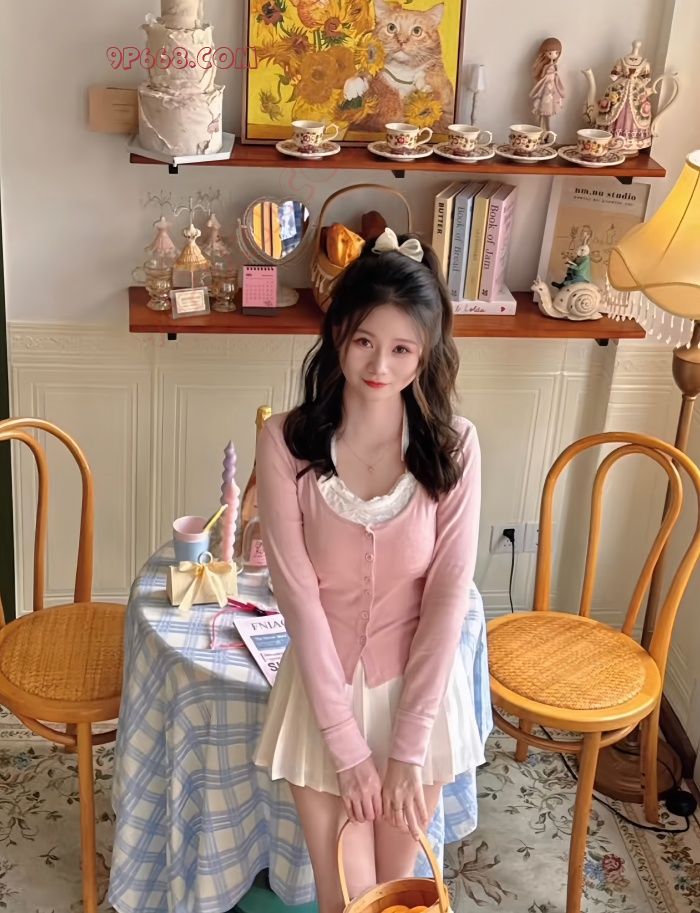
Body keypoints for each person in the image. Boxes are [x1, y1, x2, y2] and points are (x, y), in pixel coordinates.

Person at [254, 227, 483, 913]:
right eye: (364, 341)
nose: (380, 364)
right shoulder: (287, 442)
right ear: (338, 335)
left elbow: (446, 599)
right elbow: (298, 599)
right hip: (323, 699)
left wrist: (407, 749)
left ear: (426, 353)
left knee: (399, 895)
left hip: (417, 700)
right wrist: (348, 750)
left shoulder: (454, 447)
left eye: (402, 348)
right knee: (346, 898)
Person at [529, 37, 565, 132]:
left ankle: (547, 131)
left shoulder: (554, 65)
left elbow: (555, 76)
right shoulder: (546, 66)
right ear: (545, 53)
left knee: (550, 107)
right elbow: (542, 75)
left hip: (552, 87)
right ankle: (543, 129)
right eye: (550, 53)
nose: (554, 55)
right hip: (546, 86)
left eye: (556, 53)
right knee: (544, 105)